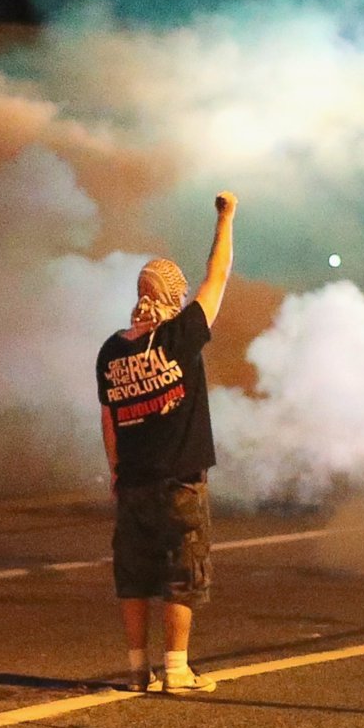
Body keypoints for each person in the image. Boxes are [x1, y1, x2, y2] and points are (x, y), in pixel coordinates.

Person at [97, 191, 236, 693]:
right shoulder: (180, 337)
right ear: (173, 296)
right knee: (184, 570)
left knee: (133, 576)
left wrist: (116, 472)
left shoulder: (112, 351)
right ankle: (176, 669)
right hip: (180, 482)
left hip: (132, 485)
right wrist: (227, 218)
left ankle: (137, 670)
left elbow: (109, 420)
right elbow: (217, 275)